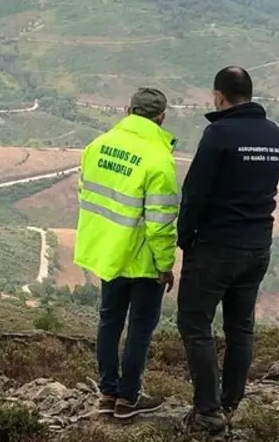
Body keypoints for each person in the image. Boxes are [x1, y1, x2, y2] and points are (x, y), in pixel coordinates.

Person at [176, 67, 279, 434]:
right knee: (240, 328)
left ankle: (207, 411)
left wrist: (185, 237)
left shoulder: (218, 133)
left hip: (217, 246)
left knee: (195, 323)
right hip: (258, 246)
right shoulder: (275, 135)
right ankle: (229, 403)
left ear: (219, 96)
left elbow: (195, 193)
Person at [73, 87, 180, 419]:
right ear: (161, 118)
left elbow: (86, 195)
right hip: (144, 259)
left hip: (110, 252)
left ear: (127, 110)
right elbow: (161, 224)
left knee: (109, 321)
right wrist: (165, 265)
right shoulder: (159, 160)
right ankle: (128, 397)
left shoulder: (97, 146)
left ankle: (107, 392)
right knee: (140, 329)